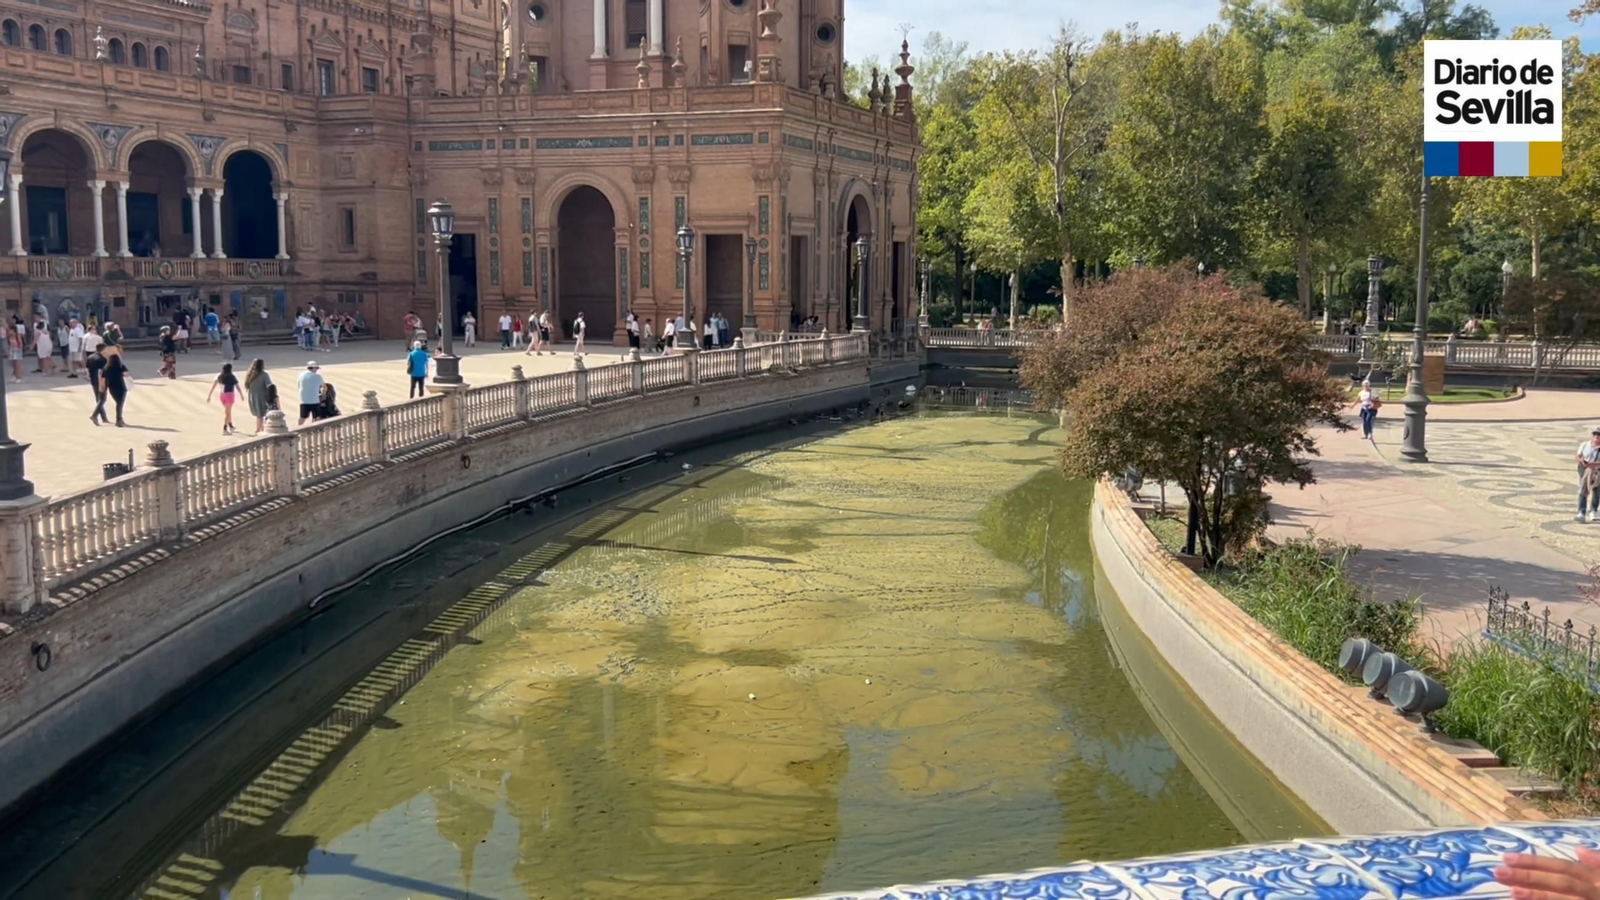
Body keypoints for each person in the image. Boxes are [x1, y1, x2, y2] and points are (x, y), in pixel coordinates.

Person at [207, 362, 240, 434]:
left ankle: (230, 425)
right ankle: (225, 428)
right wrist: (241, 394)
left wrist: (209, 395)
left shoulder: (219, 376)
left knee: (228, 411)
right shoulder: (232, 376)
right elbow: (237, 386)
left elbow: (213, 386)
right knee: (227, 413)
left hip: (222, 395)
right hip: (229, 395)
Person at [243, 358, 274, 434]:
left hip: (252, 397)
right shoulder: (264, 375)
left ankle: (260, 428)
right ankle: (258, 429)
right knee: (261, 414)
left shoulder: (249, 374)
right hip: (261, 397)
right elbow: (269, 386)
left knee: (258, 414)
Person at [101, 347, 129, 427]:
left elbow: (103, 379)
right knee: (120, 403)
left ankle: (120, 419)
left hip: (112, 388)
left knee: (118, 403)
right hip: (121, 387)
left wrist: (103, 388)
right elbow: (127, 375)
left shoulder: (106, 368)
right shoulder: (120, 366)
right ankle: (119, 419)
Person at [1577, 428, 1600, 523]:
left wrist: (1595, 465)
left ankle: (1593, 511)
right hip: (1584, 471)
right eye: (1595, 434)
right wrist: (1581, 461)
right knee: (1583, 489)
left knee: (1596, 491)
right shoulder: (1585, 445)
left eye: (1598, 435)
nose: (1596, 436)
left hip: (1597, 473)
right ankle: (1581, 512)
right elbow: (1578, 456)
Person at [86, 345, 108, 425]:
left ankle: (103, 417)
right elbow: (101, 372)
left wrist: (88, 378)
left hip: (93, 380)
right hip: (101, 380)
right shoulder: (103, 359)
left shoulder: (90, 357)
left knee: (98, 399)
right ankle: (95, 415)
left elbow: (87, 369)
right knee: (102, 399)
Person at [297, 360, 324, 426]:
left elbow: (299, 386)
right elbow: (324, 387)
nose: (317, 370)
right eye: (316, 368)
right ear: (314, 368)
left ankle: (298, 428)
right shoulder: (318, 376)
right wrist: (323, 393)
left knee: (302, 417)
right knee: (316, 417)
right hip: (315, 400)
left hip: (303, 400)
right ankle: (315, 429)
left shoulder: (301, 375)